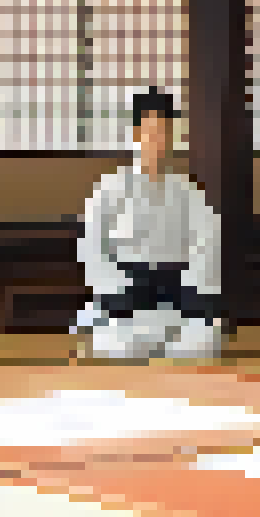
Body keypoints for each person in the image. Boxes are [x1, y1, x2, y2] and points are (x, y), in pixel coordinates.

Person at [73, 88, 226, 361]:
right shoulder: (109, 189)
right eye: (150, 132)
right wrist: (118, 288)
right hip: (126, 293)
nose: (157, 141)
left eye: (164, 133)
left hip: (175, 291)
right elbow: (92, 246)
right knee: (119, 345)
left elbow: (207, 244)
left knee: (201, 341)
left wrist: (191, 287)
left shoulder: (188, 191)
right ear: (135, 134)